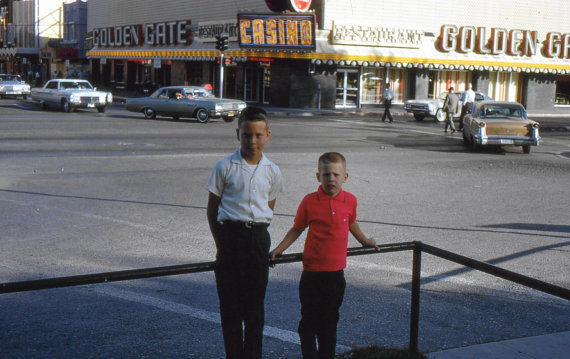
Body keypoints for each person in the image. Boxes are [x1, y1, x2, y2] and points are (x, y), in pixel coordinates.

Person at [270, 152, 379, 359]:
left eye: (336, 175)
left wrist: (365, 241)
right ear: (318, 176)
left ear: (345, 177)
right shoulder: (309, 202)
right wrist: (279, 249)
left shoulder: (350, 201)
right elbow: (297, 228)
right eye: (326, 174)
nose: (331, 179)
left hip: (335, 276)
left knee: (328, 325)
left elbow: (352, 223)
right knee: (308, 323)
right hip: (312, 275)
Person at [206, 107, 284, 359]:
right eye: (246, 135)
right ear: (237, 134)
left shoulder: (272, 171)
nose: (252, 141)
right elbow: (212, 209)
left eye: (258, 135)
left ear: (268, 136)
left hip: (257, 240)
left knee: (254, 311)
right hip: (230, 238)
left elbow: (268, 208)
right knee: (230, 309)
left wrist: (256, 236)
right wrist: (222, 242)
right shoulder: (224, 166)